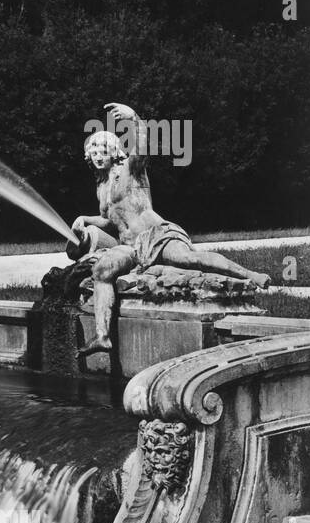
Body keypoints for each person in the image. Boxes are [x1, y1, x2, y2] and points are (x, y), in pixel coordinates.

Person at [73, 103, 270, 356]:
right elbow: (110, 222)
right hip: (130, 247)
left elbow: (142, 143)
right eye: (94, 153)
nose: (98, 156)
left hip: (155, 236)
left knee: (189, 259)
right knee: (101, 270)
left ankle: (249, 274)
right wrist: (85, 219)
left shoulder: (132, 169)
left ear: (113, 151)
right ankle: (102, 337)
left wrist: (133, 117)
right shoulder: (102, 188)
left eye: (103, 151)